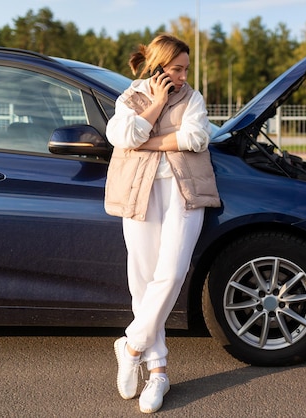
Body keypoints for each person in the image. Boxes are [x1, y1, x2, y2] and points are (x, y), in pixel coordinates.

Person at [104, 33, 220, 414]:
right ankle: (158, 373)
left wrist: (147, 141)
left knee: (170, 274)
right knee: (142, 282)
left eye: (186, 69)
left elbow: (196, 137)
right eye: (177, 69)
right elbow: (120, 135)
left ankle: (132, 344)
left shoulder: (193, 99)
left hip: (184, 193)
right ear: (158, 67)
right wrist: (154, 107)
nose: (184, 76)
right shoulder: (131, 97)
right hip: (139, 194)